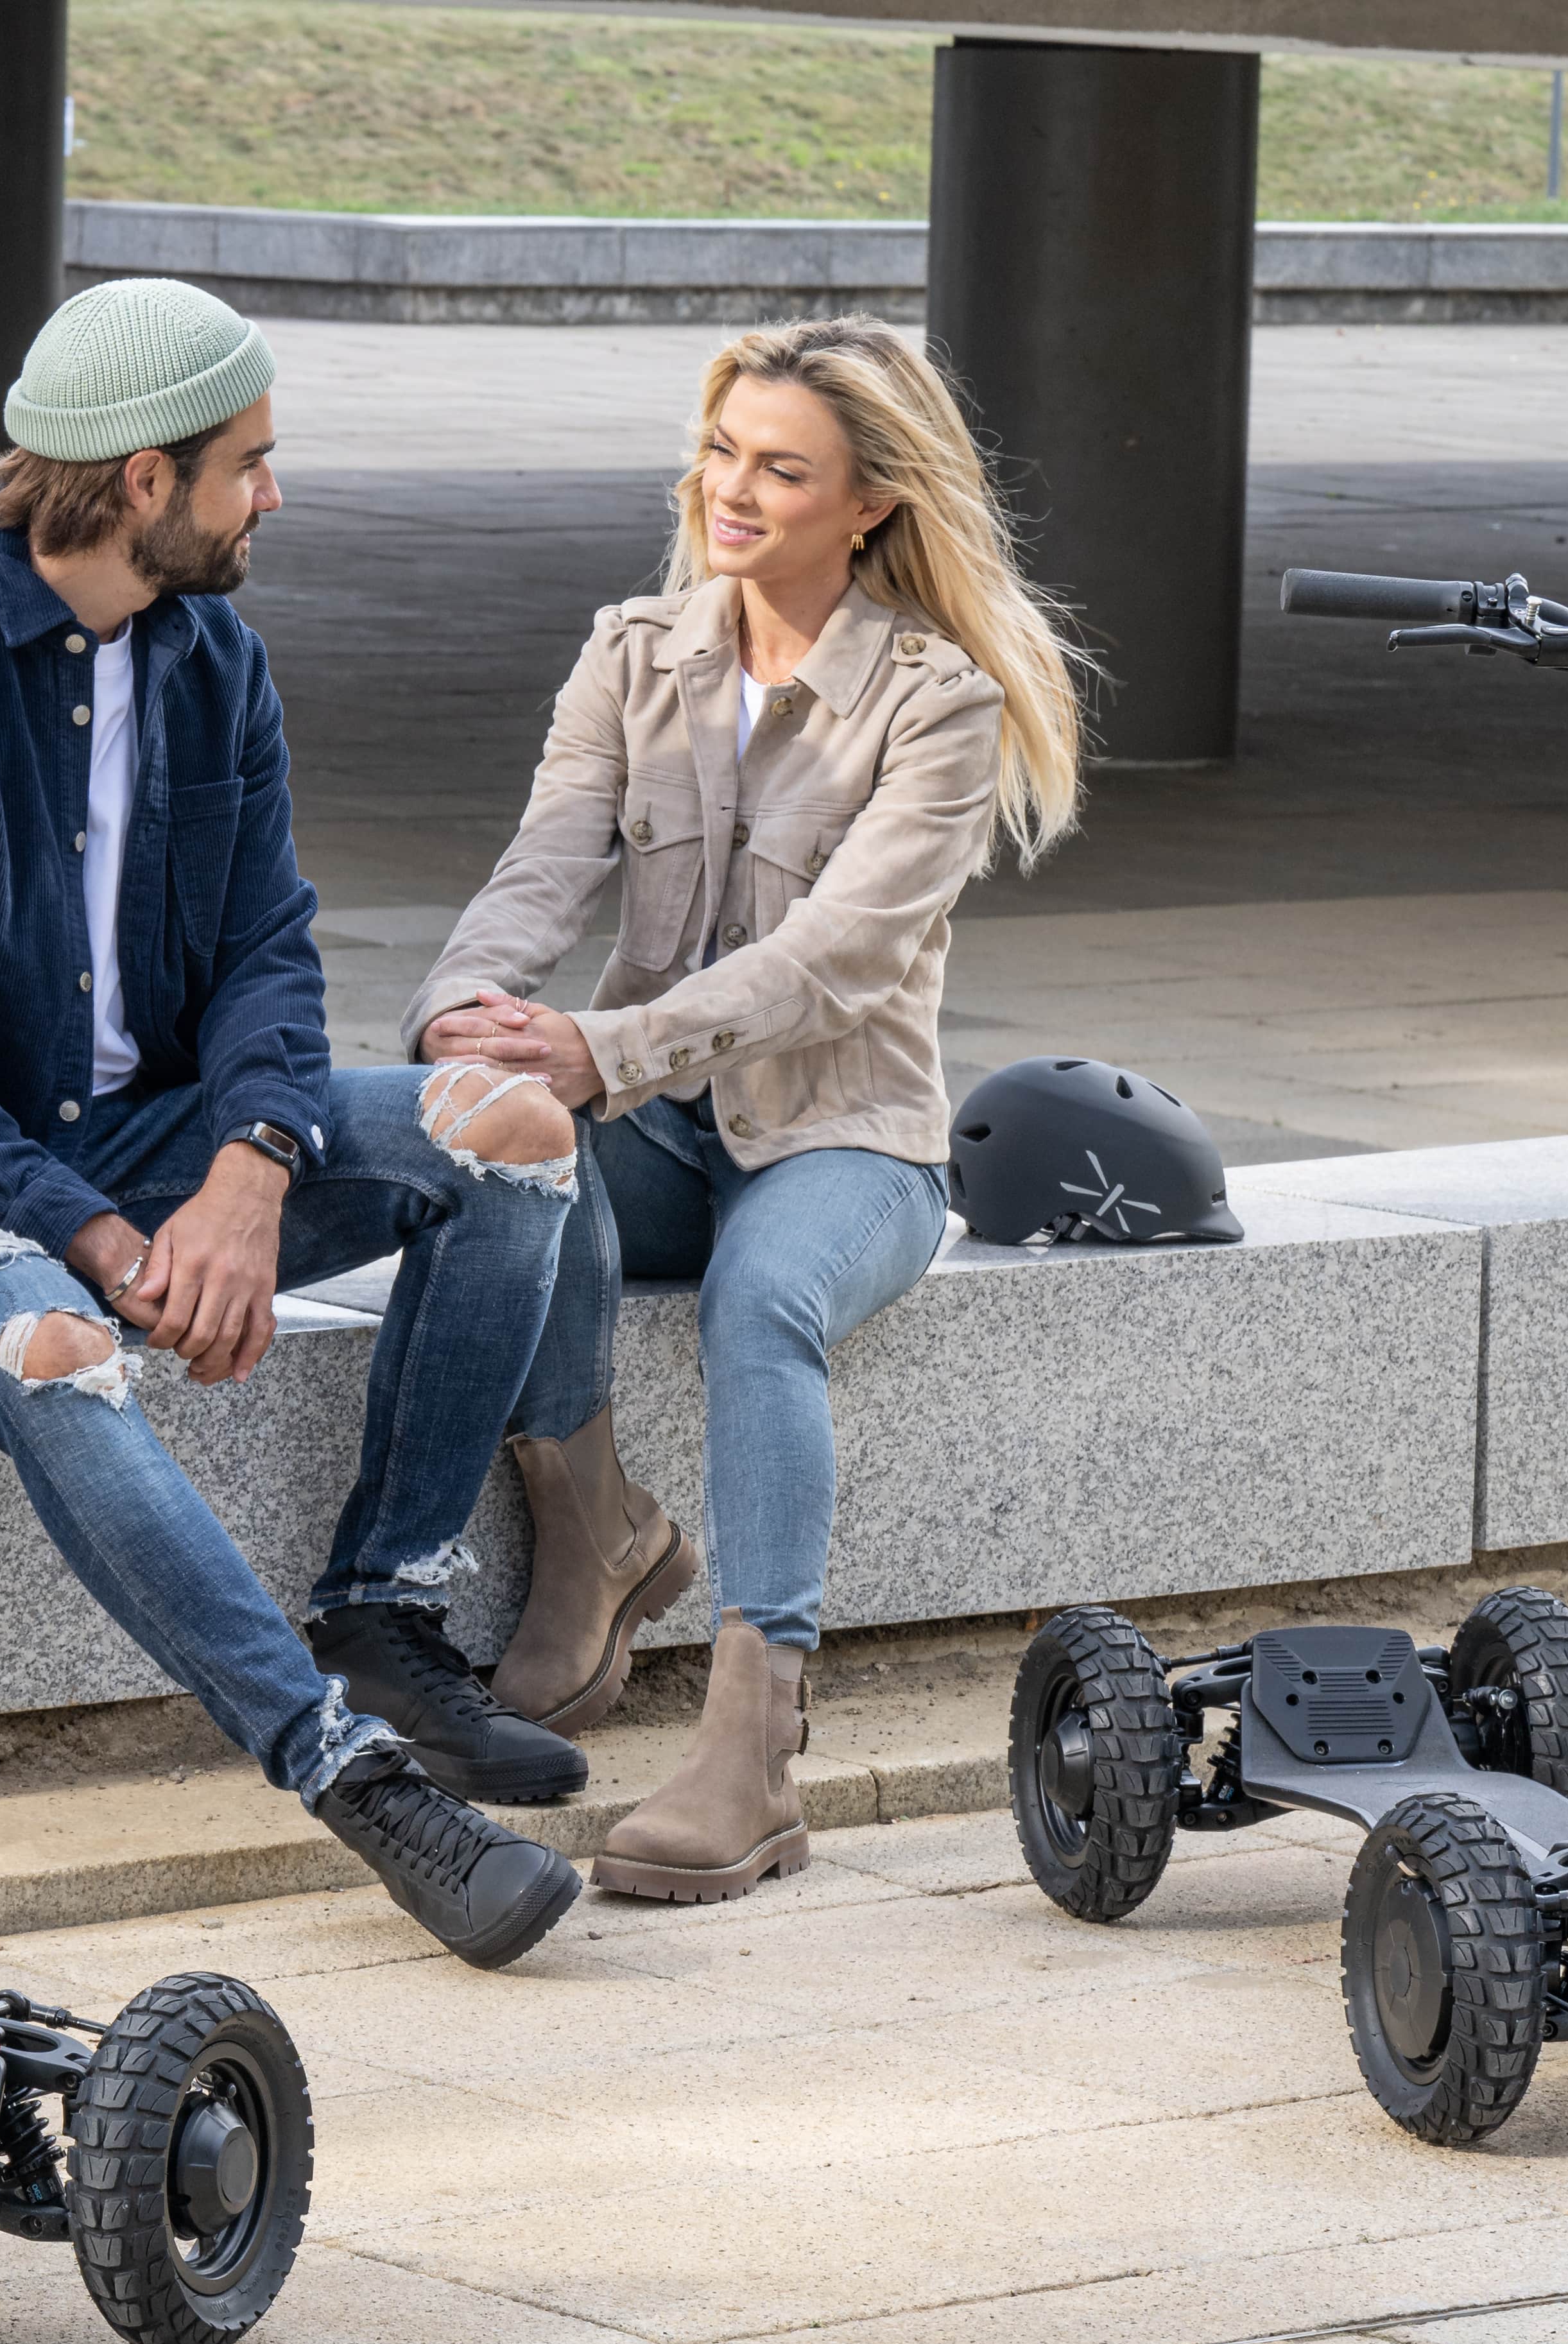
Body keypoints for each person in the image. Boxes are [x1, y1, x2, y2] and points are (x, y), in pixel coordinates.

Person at [0, 280, 593, 1972]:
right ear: (140, 480)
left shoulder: (217, 663)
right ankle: (356, 1782)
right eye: (249, 463)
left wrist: (250, 1169)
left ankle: (384, 1612)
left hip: (148, 1138)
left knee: (514, 1135)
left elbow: (270, 944)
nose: (276, 495)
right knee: (54, 1339)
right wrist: (103, 1234)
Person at [409, 318, 1092, 1900]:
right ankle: (594, 1531)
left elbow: (833, 958)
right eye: (724, 451)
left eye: (782, 469)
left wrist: (601, 1044)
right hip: (655, 1118)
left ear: (869, 503)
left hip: (847, 1142)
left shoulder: (937, 703)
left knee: (760, 1299)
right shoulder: (633, 649)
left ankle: (752, 1742)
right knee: (502, 1162)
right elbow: (545, 862)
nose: (734, 490)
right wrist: (464, 1010)